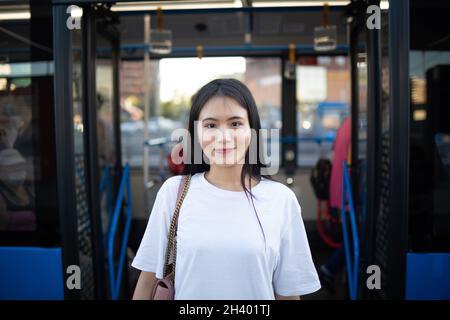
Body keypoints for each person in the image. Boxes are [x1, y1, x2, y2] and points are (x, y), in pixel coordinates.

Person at [131, 79, 321, 300]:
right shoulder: (173, 193)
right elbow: (147, 282)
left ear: (252, 130)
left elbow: (287, 295)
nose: (223, 137)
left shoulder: (281, 200)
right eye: (211, 125)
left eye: (235, 124)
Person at [318, 116, 351, 293]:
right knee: (358, 238)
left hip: (339, 192)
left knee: (353, 238)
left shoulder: (346, 123)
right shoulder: (360, 125)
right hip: (349, 194)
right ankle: (329, 270)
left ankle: (331, 271)